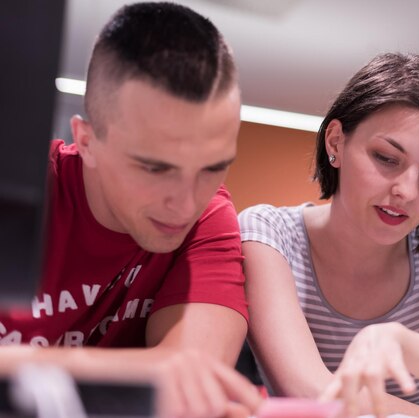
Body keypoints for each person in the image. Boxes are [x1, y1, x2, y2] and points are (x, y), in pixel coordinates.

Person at [0, 2, 262, 417]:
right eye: (154, 167)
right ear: (86, 141)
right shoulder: (16, 189)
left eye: (214, 168)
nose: (186, 202)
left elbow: (194, 378)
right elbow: (168, 373)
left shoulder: (210, 217)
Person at [238, 53, 419, 418]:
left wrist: (397, 342)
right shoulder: (268, 234)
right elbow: (314, 393)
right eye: (387, 158)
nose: (407, 192)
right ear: (335, 143)